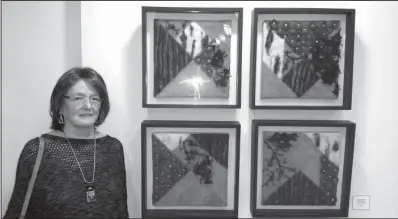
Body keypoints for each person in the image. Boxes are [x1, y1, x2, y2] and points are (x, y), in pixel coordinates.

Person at [4, 67, 129, 218]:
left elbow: (121, 212)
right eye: (78, 98)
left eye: (94, 98)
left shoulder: (113, 148)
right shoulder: (37, 150)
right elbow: (15, 213)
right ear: (60, 105)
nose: (88, 106)